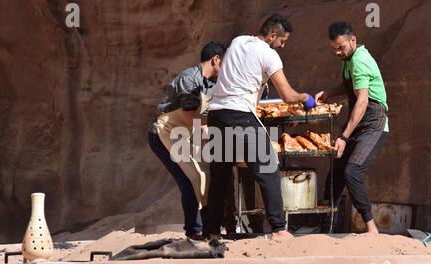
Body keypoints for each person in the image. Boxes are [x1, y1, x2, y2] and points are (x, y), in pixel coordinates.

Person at [206, 13, 320, 241]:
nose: (283, 46)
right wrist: (305, 97)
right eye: (282, 41)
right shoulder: (269, 54)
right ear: (272, 36)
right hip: (240, 116)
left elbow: (241, 78)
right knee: (268, 168)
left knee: (220, 177)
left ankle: (212, 232)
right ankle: (279, 229)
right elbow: (287, 95)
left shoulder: (238, 41)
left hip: (217, 114)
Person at [148, 42, 226, 240]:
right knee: (191, 179)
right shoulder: (189, 79)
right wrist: (211, 131)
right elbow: (189, 115)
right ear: (216, 60)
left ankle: (209, 229)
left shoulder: (212, 84)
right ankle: (194, 231)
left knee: (204, 178)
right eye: (224, 64)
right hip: (165, 132)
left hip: (186, 134)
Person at [321, 22, 389, 234]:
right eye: (334, 49)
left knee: (352, 171)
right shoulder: (348, 59)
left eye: (341, 47)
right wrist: (328, 93)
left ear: (353, 40)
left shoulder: (359, 60)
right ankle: (326, 226)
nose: (338, 52)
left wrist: (343, 136)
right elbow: (349, 85)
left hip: (373, 123)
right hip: (359, 122)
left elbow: (361, 101)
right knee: (336, 173)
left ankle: (371, 229)